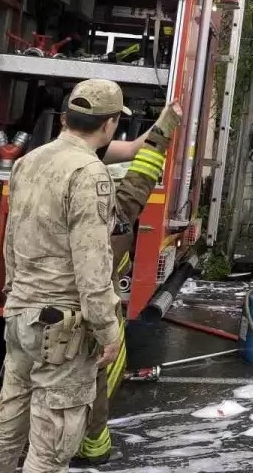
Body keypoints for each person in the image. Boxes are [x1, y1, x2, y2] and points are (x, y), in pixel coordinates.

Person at [0, 80, 128, 473]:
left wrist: (15, 294)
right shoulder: (90, 174)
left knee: (8, 425)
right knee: (51, 447)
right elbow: (92, 266)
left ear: (65, 118)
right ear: (109, 125)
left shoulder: (29, 160)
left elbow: (11, 241)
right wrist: (107, 330)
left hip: (21, 315)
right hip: (62, 329)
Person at [76, 101, 183, 467]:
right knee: (103, 366)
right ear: (108, 124)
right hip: (85, 311)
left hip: (34, 310)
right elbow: (141, 173)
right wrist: (166, 127)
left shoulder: (36, 166)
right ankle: (90, 446)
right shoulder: (115, 215)